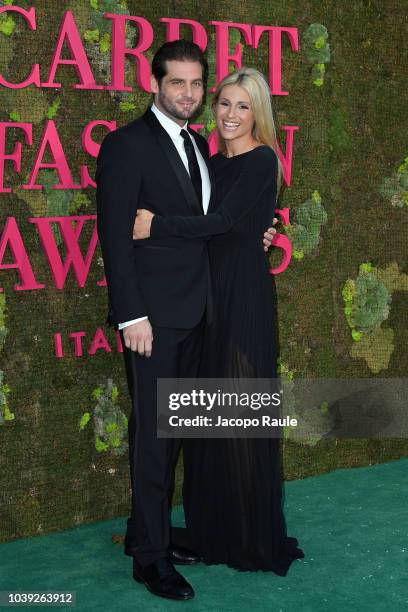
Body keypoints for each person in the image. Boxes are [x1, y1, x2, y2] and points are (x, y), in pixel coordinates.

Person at [96, 42, 277, 600]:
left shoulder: (200, 145)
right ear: (155, 83)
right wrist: (132, 316)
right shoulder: (126, 145)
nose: (189, 94)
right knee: (154, 436)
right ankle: (150, 559)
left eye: (197, 85)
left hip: (200, 314)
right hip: (154, 320)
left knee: (173, 432)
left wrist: (259, 236)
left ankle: (143, 534)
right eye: (177, 83)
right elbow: (115, 237)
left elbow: (220, 221)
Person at [133, 67, 305, 574]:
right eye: (225, 104)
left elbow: (222, 223)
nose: (231, 115)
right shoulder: (207, 162)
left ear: (258, 114)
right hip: (205, 298)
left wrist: (154, 224)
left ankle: (248, 538)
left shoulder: (261, 160)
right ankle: (212, 530)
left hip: (242, 299)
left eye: (243, 106)